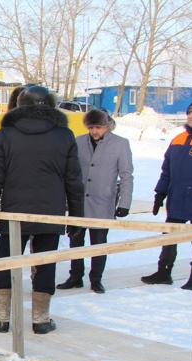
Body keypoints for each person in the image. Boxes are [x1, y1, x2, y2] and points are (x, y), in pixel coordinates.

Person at [0, 85, 85, 334]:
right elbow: (74, 180)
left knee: (8, 262)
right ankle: (41, 320)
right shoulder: (64, 135)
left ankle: (0, 317)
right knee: (46, 263)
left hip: (14, 212)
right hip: (51, 212)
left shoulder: (6, 134)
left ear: (21, 105)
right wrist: (77, 217)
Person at [57, 109, 133, 294]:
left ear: (108, 125)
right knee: (76, 241)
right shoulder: (80, 141)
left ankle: (96, 279)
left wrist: (124, 203)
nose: (94, 131)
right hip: (80, 202)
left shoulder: (120, 144)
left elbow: (126, 175)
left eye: (98, 127)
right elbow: (70, 170)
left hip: (103, 201)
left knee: (99, 243)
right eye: (91, 127)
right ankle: (75, 276)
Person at [141, 97, 192, 290]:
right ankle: (164, 271)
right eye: (189, 112)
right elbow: (167, 170)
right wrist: (160, 192)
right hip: (177, 196)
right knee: (169, 236)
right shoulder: (178, 139)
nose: (191, 116)